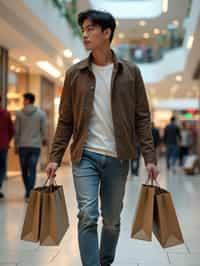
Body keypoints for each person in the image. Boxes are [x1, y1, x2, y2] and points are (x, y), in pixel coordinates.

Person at [46, 10, 158, 266]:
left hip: (118, 158)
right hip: (85, 155)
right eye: (83, 29)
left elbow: (142, 117)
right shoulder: (75, 74)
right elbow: (65, 121)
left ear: (107, 33)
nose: (84, 34)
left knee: (111, 220)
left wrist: (150, 158)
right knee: (87, 214)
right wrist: (54, 157)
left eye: (90, 29)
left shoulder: (131, 72)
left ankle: (105, 262)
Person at [15, 93, 47, 201]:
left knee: (24, 170)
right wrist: (44, 140)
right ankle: (30, 191)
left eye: (24, 99)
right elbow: (44, 130)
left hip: (23, 146)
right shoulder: (41, 114)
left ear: (28, 100)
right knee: (32, 168)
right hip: (35, 146)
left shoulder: (19, 114)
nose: (23, 101)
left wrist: (16, 144)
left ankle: (28, 191)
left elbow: (17, 131)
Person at [0, 95, 15, 198]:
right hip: (3, 145)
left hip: (3, 144)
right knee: (1, 167)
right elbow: (12, 130)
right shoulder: (5, 113)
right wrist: (7, 140)